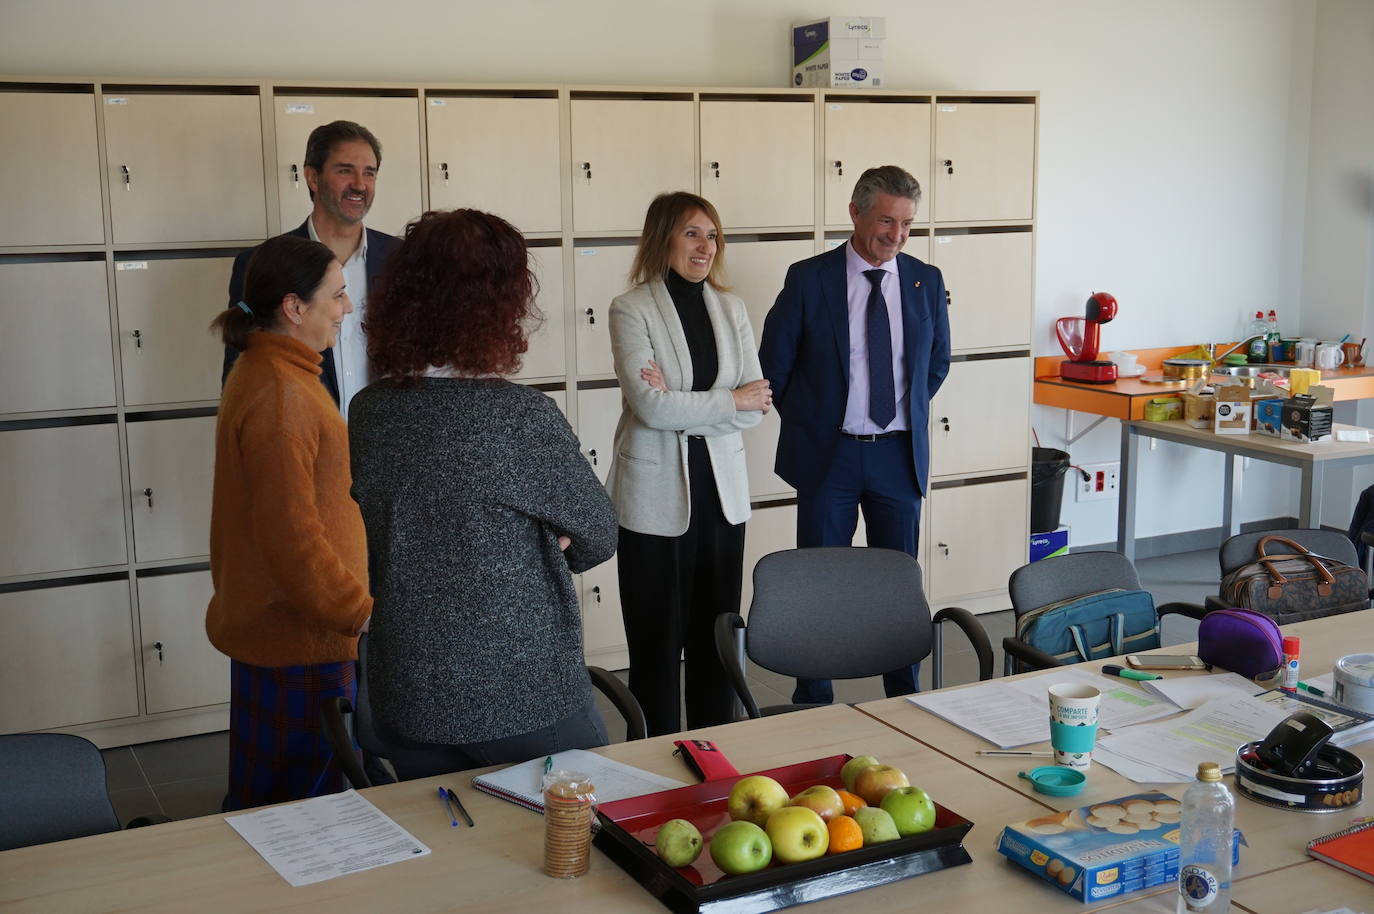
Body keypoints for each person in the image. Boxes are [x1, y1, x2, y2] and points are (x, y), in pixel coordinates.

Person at [348, 209, 618, 776]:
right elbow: (597, 533)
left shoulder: (369, 412)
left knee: (448, 844)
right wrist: (552, 536)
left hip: (407, 691)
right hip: (521, 693)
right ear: (503, 306)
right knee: (572, 840)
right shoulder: (519, 417)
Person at [759, 165, 951, 706]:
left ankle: (903, 697)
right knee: (818, 585)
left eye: (908, 224)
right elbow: (776, 363)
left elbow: (936, 364)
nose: (896, 235)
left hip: (897, 455)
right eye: (886, 220)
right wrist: (816, 420)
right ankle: (813, 698)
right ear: (855, 212)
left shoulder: (924, 280)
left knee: (898, 588)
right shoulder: (809, 277)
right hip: (829, 455)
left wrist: (895, 414)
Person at [205, 233, 372, 810]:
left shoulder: (272, 371)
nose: (347, 308)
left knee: (267, 803)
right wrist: (359, 614)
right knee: (303, 815)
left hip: (284, 631)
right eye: (338, 295)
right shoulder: (283, 395)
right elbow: (292, 537)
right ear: (294, 307)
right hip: (303, 639)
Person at [607, 192, 771, 737]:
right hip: (655, 496)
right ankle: (650, 755)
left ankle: (712, 747)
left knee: (716, 634)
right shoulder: (631, 308)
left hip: (720, 493)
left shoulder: (732, 308)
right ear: (663, 239)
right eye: (692, 234)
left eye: (712, 234)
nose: (706, 246)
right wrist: (729, 400)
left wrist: (683, 405)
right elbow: (650, 406)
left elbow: (758, 405)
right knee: (655, 639)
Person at [223, 120, 401, 417]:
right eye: (345, 170)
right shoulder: (262, 263)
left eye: (369, 173)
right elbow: (240, 370)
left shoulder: (403, 259)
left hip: (387, 448)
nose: (359, 184)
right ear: (312, 178)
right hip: (302, 442)